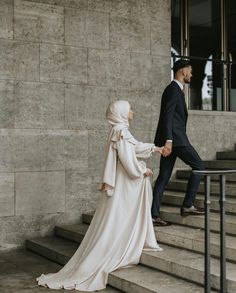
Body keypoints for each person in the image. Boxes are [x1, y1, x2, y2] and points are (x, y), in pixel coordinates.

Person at [37, 100, 163, 291]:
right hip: (124, 181)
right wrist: (142, 171)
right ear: (121, 112)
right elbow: (127, 159)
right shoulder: (120, 130)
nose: (133, 112)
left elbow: (133, 147)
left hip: (122, 180)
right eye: (130, 109)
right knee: (119, 215)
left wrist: (155, 149)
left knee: (117, 215)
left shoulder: (120, 130)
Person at [152, 59, 205, 227]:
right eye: (190, 71)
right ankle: (188, 205)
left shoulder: (175, 90)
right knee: (199, 166)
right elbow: (167, 116)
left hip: (172, 139)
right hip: (175, 140)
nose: (191, 74)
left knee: (163, 177)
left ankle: (153, 215)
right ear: (183, 72)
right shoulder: (173, 89)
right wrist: (169, 140)